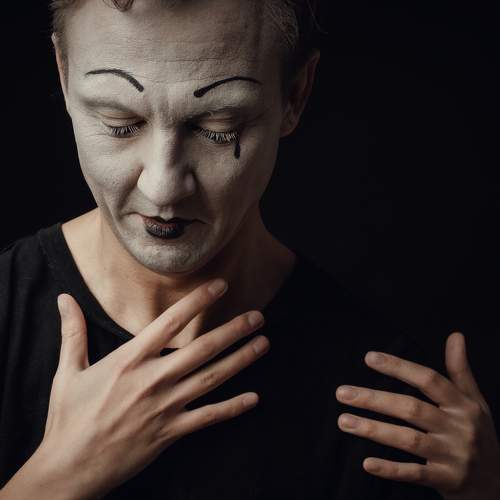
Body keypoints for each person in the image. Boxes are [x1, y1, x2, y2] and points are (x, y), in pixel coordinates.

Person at [0, 0, 499, 498]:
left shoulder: (385, 405)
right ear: (64, 74)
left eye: (218, 127)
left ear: (295, 94)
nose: (164, 187)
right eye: (119, 122)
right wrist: (55, 480)